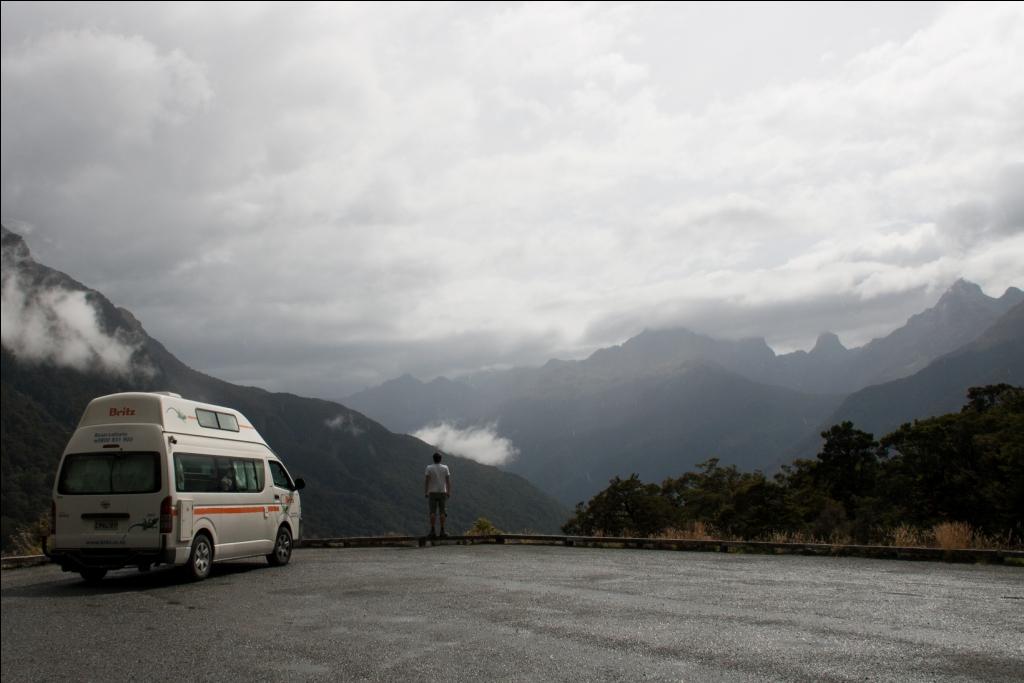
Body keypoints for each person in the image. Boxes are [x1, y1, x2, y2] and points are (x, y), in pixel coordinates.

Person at [424, 452, 451, 538]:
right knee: (442, 512)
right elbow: (447, 481)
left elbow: (427, 481)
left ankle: (432, 531)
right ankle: (442, 531)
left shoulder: (429, 468)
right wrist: (448, 492)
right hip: (443, 492)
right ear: (440, 459)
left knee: (432, 512)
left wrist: (426, 492)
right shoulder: (445, 467)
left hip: (432, 492)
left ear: (433, 459)